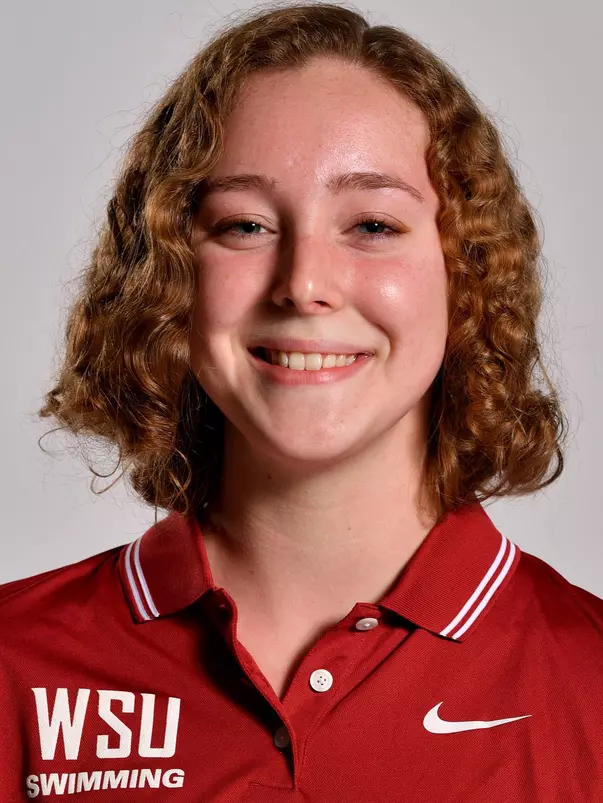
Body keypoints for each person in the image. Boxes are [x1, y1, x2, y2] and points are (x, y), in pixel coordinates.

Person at [1, 2, 601, 800]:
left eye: (373, 225)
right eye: (244, 224)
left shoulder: (588, 682)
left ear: (469, 272)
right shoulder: (16, 667)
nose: (303, 284)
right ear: (169, 276)